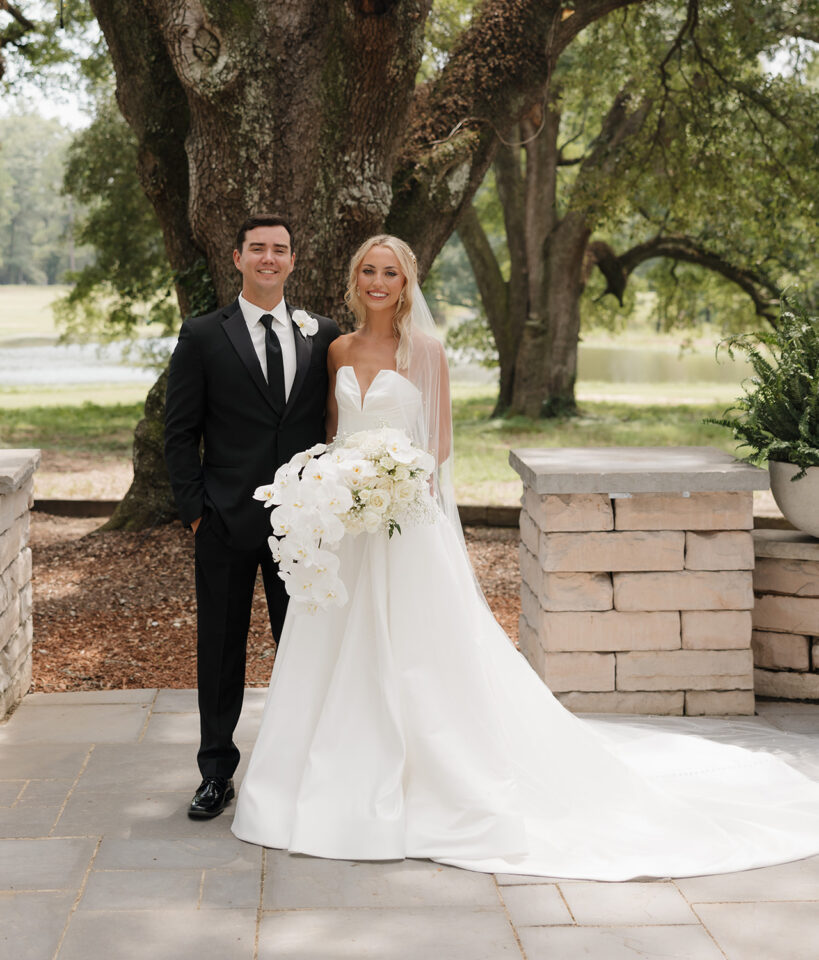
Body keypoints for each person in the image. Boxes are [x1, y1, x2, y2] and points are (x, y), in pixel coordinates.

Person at [231, 234, 819, 879]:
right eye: (368, 271)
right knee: (334, 644)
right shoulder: (338, 348)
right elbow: (331, 435)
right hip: (348, 526)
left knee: (417, 648)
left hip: (405, 522)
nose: (378, 282)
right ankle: (325, 778)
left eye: (390, 273)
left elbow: (440, 446)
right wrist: (341, 491)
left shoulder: (425, 351)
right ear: (355, 279)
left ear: (407, 282)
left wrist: (390, 485)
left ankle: (431, 778)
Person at [164, 215, 340, 819]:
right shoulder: (202, 335)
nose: (270, 258)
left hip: (305, 528)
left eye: (281, 249)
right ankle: (215, 772)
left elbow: (330, 427)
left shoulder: (323, 335)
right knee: (220, 651)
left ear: (294, 260)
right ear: (237, 257)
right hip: (224, 522)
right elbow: (180, 433)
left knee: (305, 647)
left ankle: (304, 766)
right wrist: (196, 513)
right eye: (258, 249)